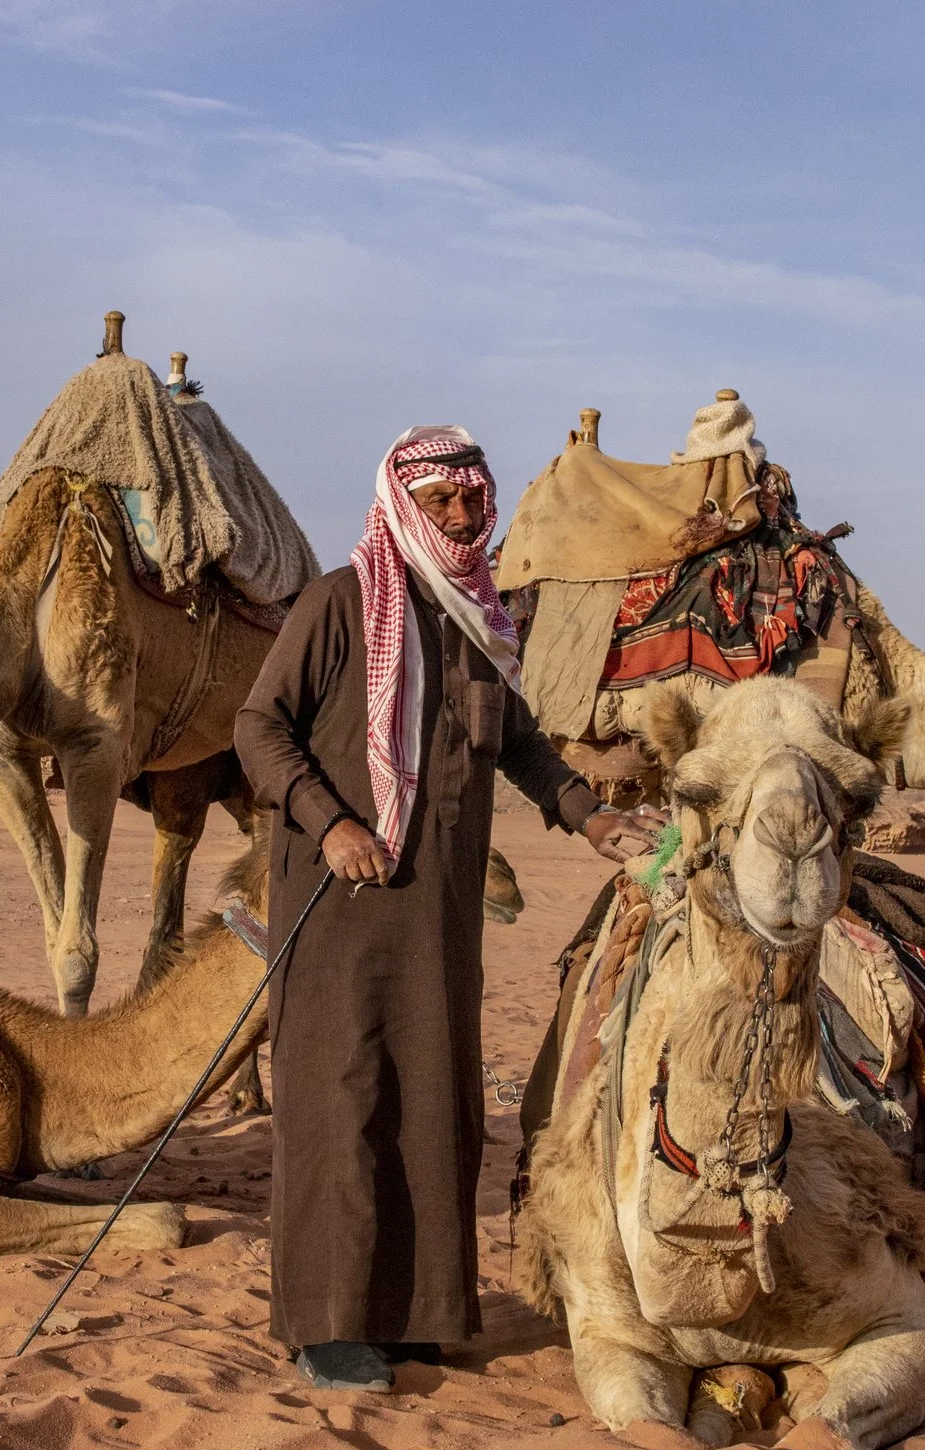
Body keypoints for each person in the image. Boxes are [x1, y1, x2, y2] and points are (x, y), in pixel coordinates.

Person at [232, 426, 654, 1393]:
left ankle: (420, 1315)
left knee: (434, 1100)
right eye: (442, 503)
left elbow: (524, 746)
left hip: (438, 918)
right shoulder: (339, 606)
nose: (464, 517)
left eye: (474, 499)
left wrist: (592, 821)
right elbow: (260, 728)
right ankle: (329, 1324)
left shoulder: (481, 626)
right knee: (342, 1099)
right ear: (402, 507)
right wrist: (330, 822)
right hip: (340, 908)